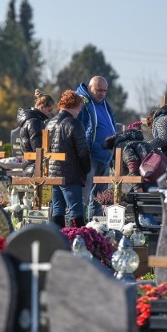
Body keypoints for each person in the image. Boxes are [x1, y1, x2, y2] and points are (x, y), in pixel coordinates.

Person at [46, 90, 91, 228]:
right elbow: (83, 151)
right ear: (76, 105)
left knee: (58, 209)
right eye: (80, 107)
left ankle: (56, 238)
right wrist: (86, 168)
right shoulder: (74, 123)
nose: (80, 110)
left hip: (53, 174)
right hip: (70, 173)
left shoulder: (50, 123)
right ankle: (79, 240)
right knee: (76, 210)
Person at [76, 76, 117, 219]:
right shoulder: (81, 102)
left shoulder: (105, 104)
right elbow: (76, 128)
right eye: (99, 90)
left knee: (100, 199)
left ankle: (95, 232)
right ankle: (78, 231)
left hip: (105, 157)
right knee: (83, 198)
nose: (102, 93)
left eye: (105, 91)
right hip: (89, 157)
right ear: (89, 88)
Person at [16, 89, 56, 176]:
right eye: (49, 110)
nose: (49, 114)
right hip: (35, 168)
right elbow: (38, 149)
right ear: (42, 107)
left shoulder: (31, 120)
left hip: (29, 166)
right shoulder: (35, 122)